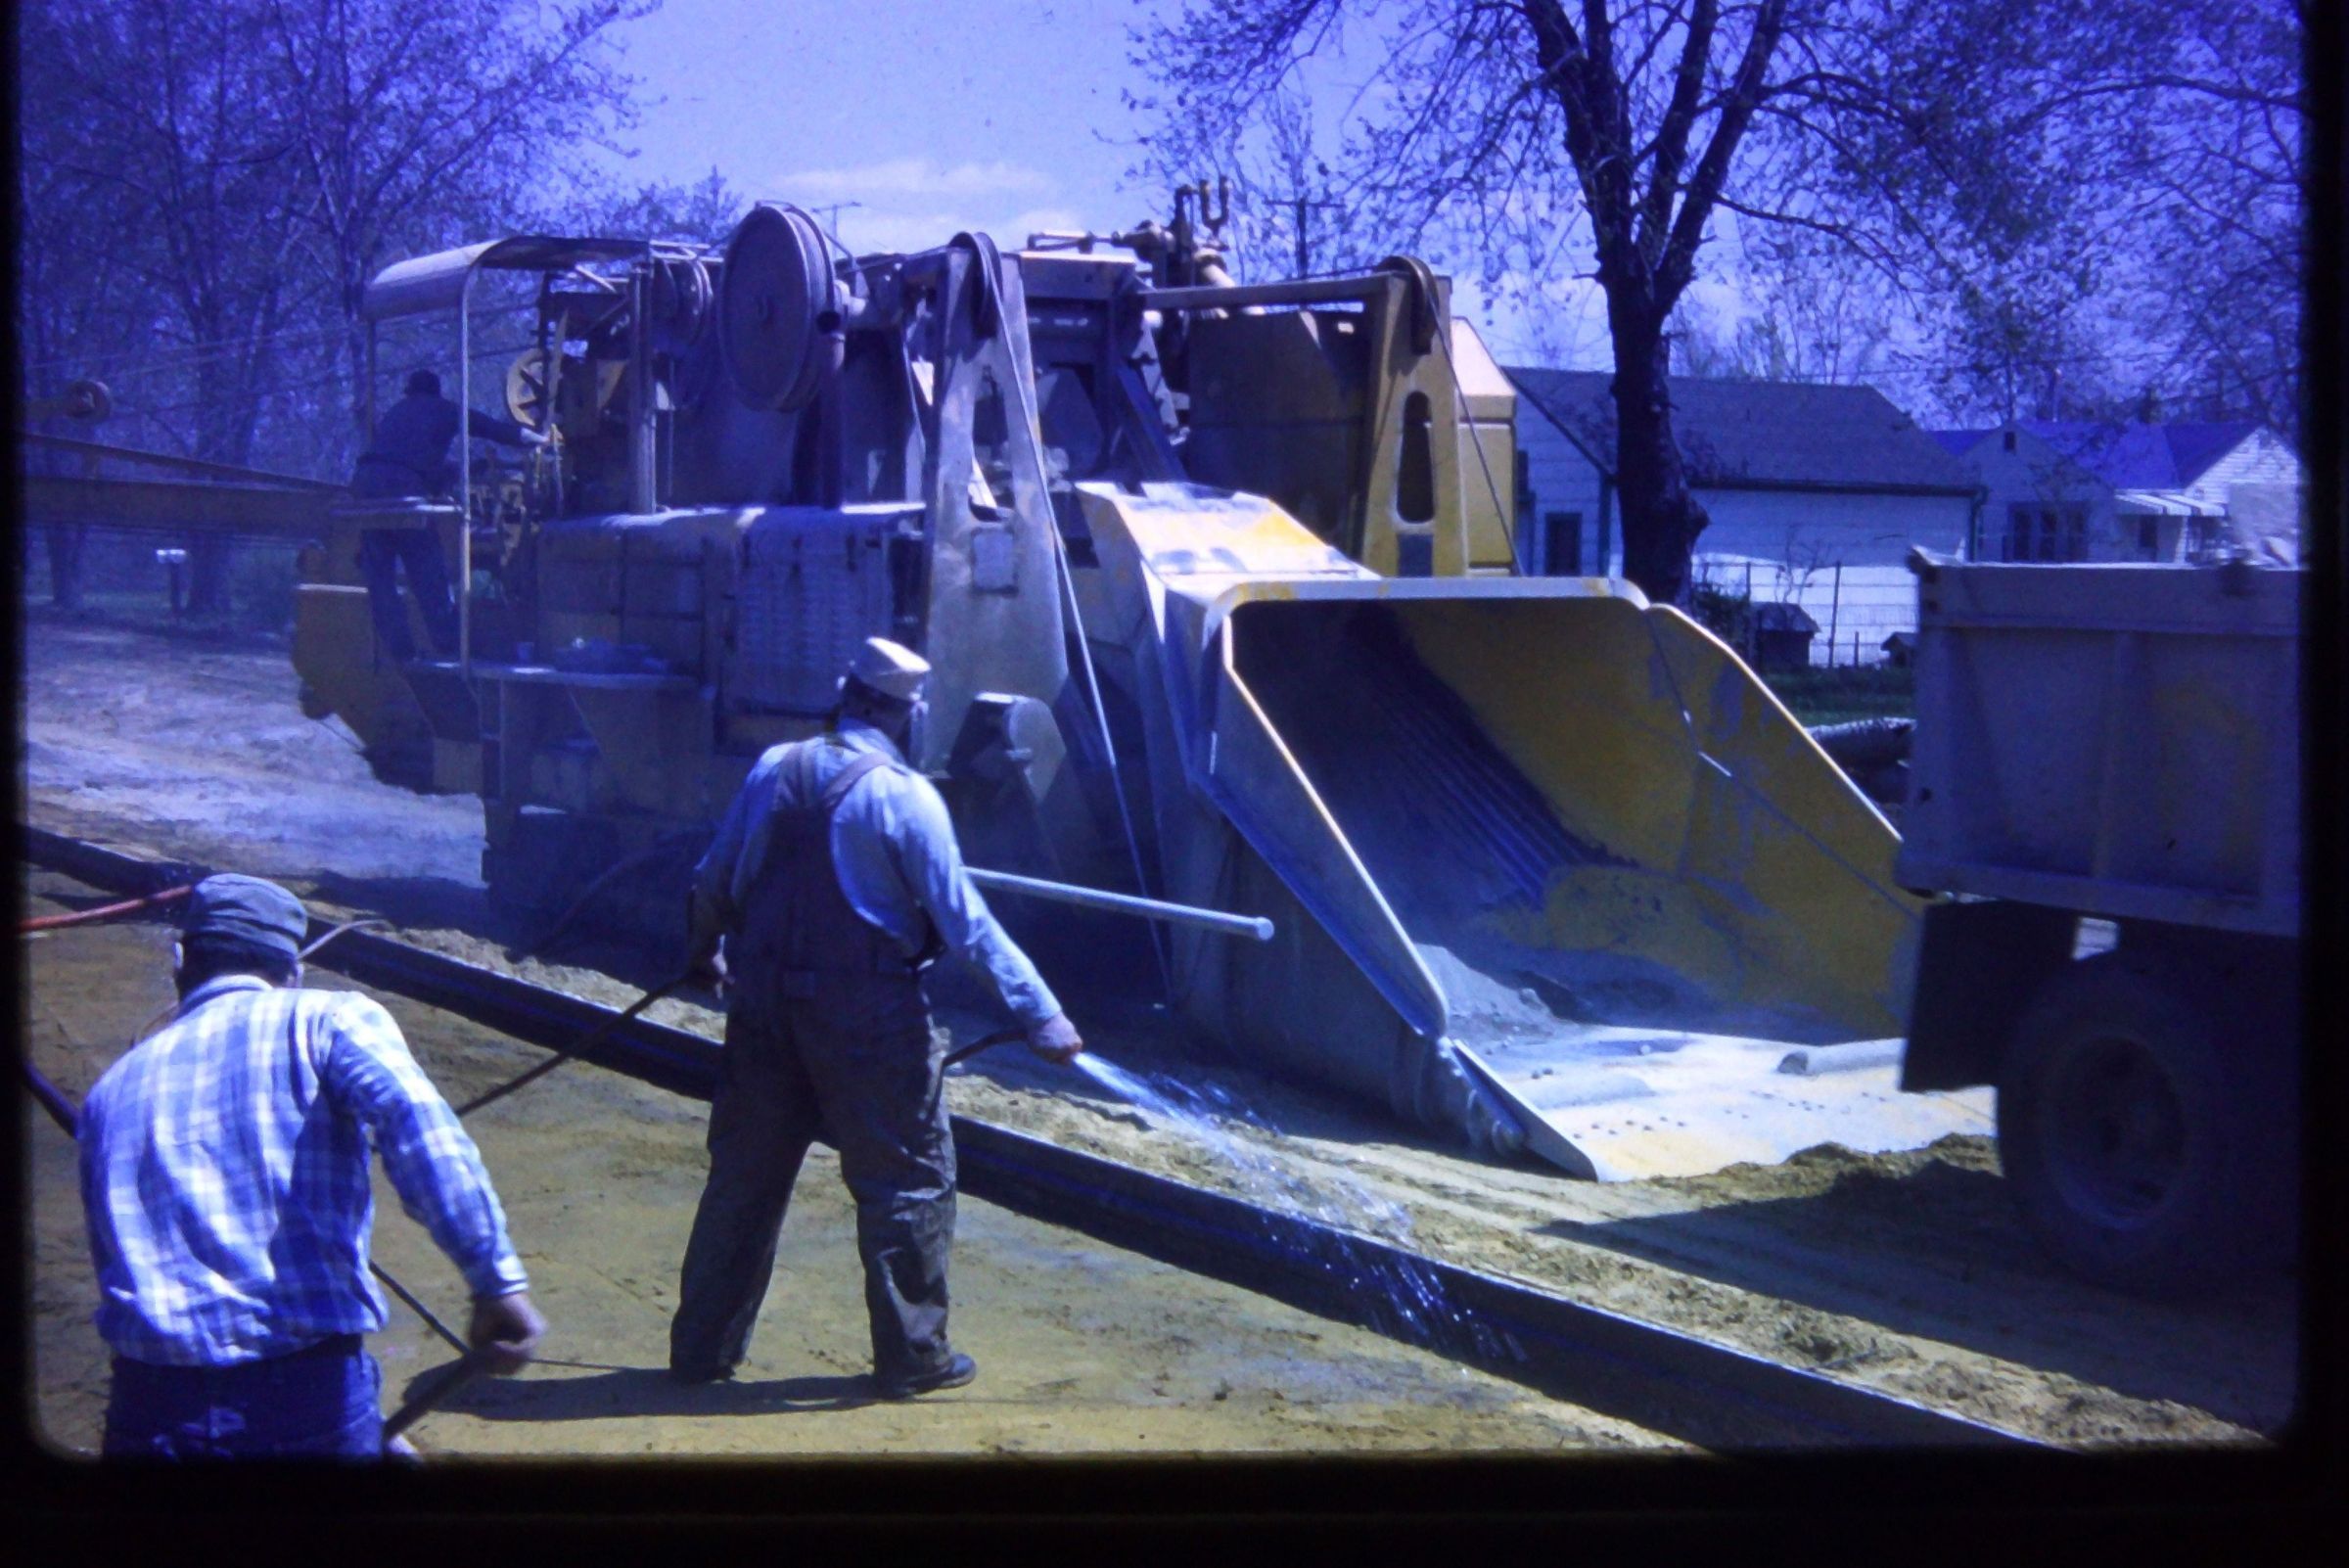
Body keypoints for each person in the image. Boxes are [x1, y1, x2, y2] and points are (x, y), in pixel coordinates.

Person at [669, 636, 1083, 1398]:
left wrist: (703, 955)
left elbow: (712, 882)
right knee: (909, 1180)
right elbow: (967, 924)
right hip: (867, 1019)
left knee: (744, 1180)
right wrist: (1042, 1013)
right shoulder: (903, 795)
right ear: (906, 715)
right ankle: (913, 1357)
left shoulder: (771, 769)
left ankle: (701, 1350)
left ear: (845, 696)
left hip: (763, 1011)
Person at [76, 874, 546, 1458]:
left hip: (146, 1415)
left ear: (179, 963)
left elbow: (110, 1256)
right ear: (292, 971)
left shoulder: (109, 1091)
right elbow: (423, 1135)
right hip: (302, 1395)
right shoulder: (327, 1019)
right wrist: (495, 1282)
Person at [348, 368, 544, 662]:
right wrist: (530, 437)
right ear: (435, 392)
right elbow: (485, 426)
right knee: (427, 567)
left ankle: (400, 652)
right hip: (401, 488)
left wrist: (452, 471)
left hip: (364, 484)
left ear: (410, 391)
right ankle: (449, 645)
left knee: (379, 577)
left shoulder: (396, 412)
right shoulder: (441, 408)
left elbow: (408, 457)